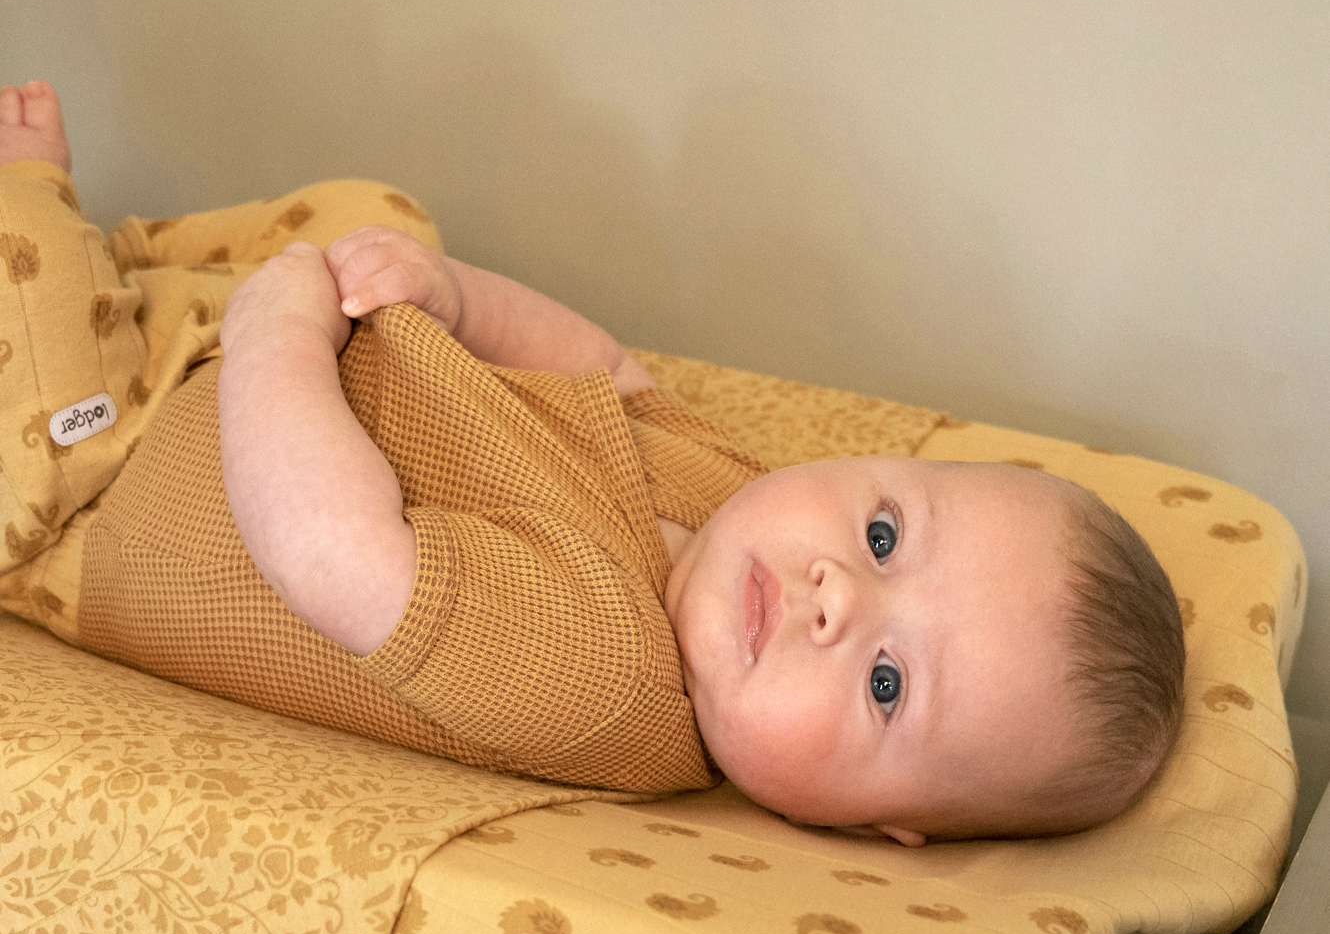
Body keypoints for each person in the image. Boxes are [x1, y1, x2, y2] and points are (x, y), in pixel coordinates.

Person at [0, 81, 1184, 842]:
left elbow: (324, 547)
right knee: (381, 215)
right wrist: (453, 297)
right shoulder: (736, 504)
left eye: (885, 684)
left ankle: (34, 213)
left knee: (43, 352)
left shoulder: (605, 680)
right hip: (239, 361)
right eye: (882, 537)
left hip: (113, 480)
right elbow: (605, 369)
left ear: (882, 825)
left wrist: (278, 337)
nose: (836, 596)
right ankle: (127, 275)